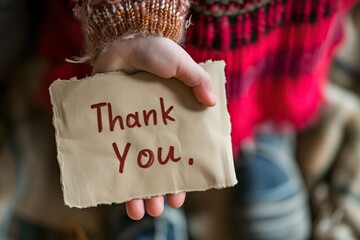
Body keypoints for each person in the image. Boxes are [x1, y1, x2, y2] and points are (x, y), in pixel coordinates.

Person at [70, 0, 358, 239]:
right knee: (143, 99)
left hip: (283, 30)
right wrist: (134, 26)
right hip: (167, 31)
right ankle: (140, 175)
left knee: (270, 84)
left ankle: (263, 129)